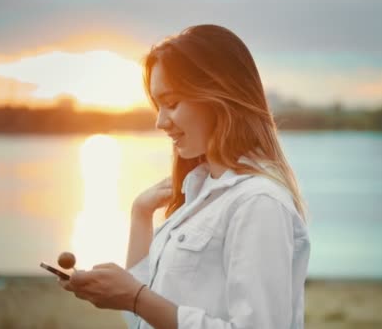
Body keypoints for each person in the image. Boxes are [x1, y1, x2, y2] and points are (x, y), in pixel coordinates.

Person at [60, 24, 310, 329]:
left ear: (218, 96)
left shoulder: (258, 203)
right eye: (158, 106)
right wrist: (141, 214)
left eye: (172, 103)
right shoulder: (200, 197)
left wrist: (135, 297)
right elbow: (143, 319)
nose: (160, 122)